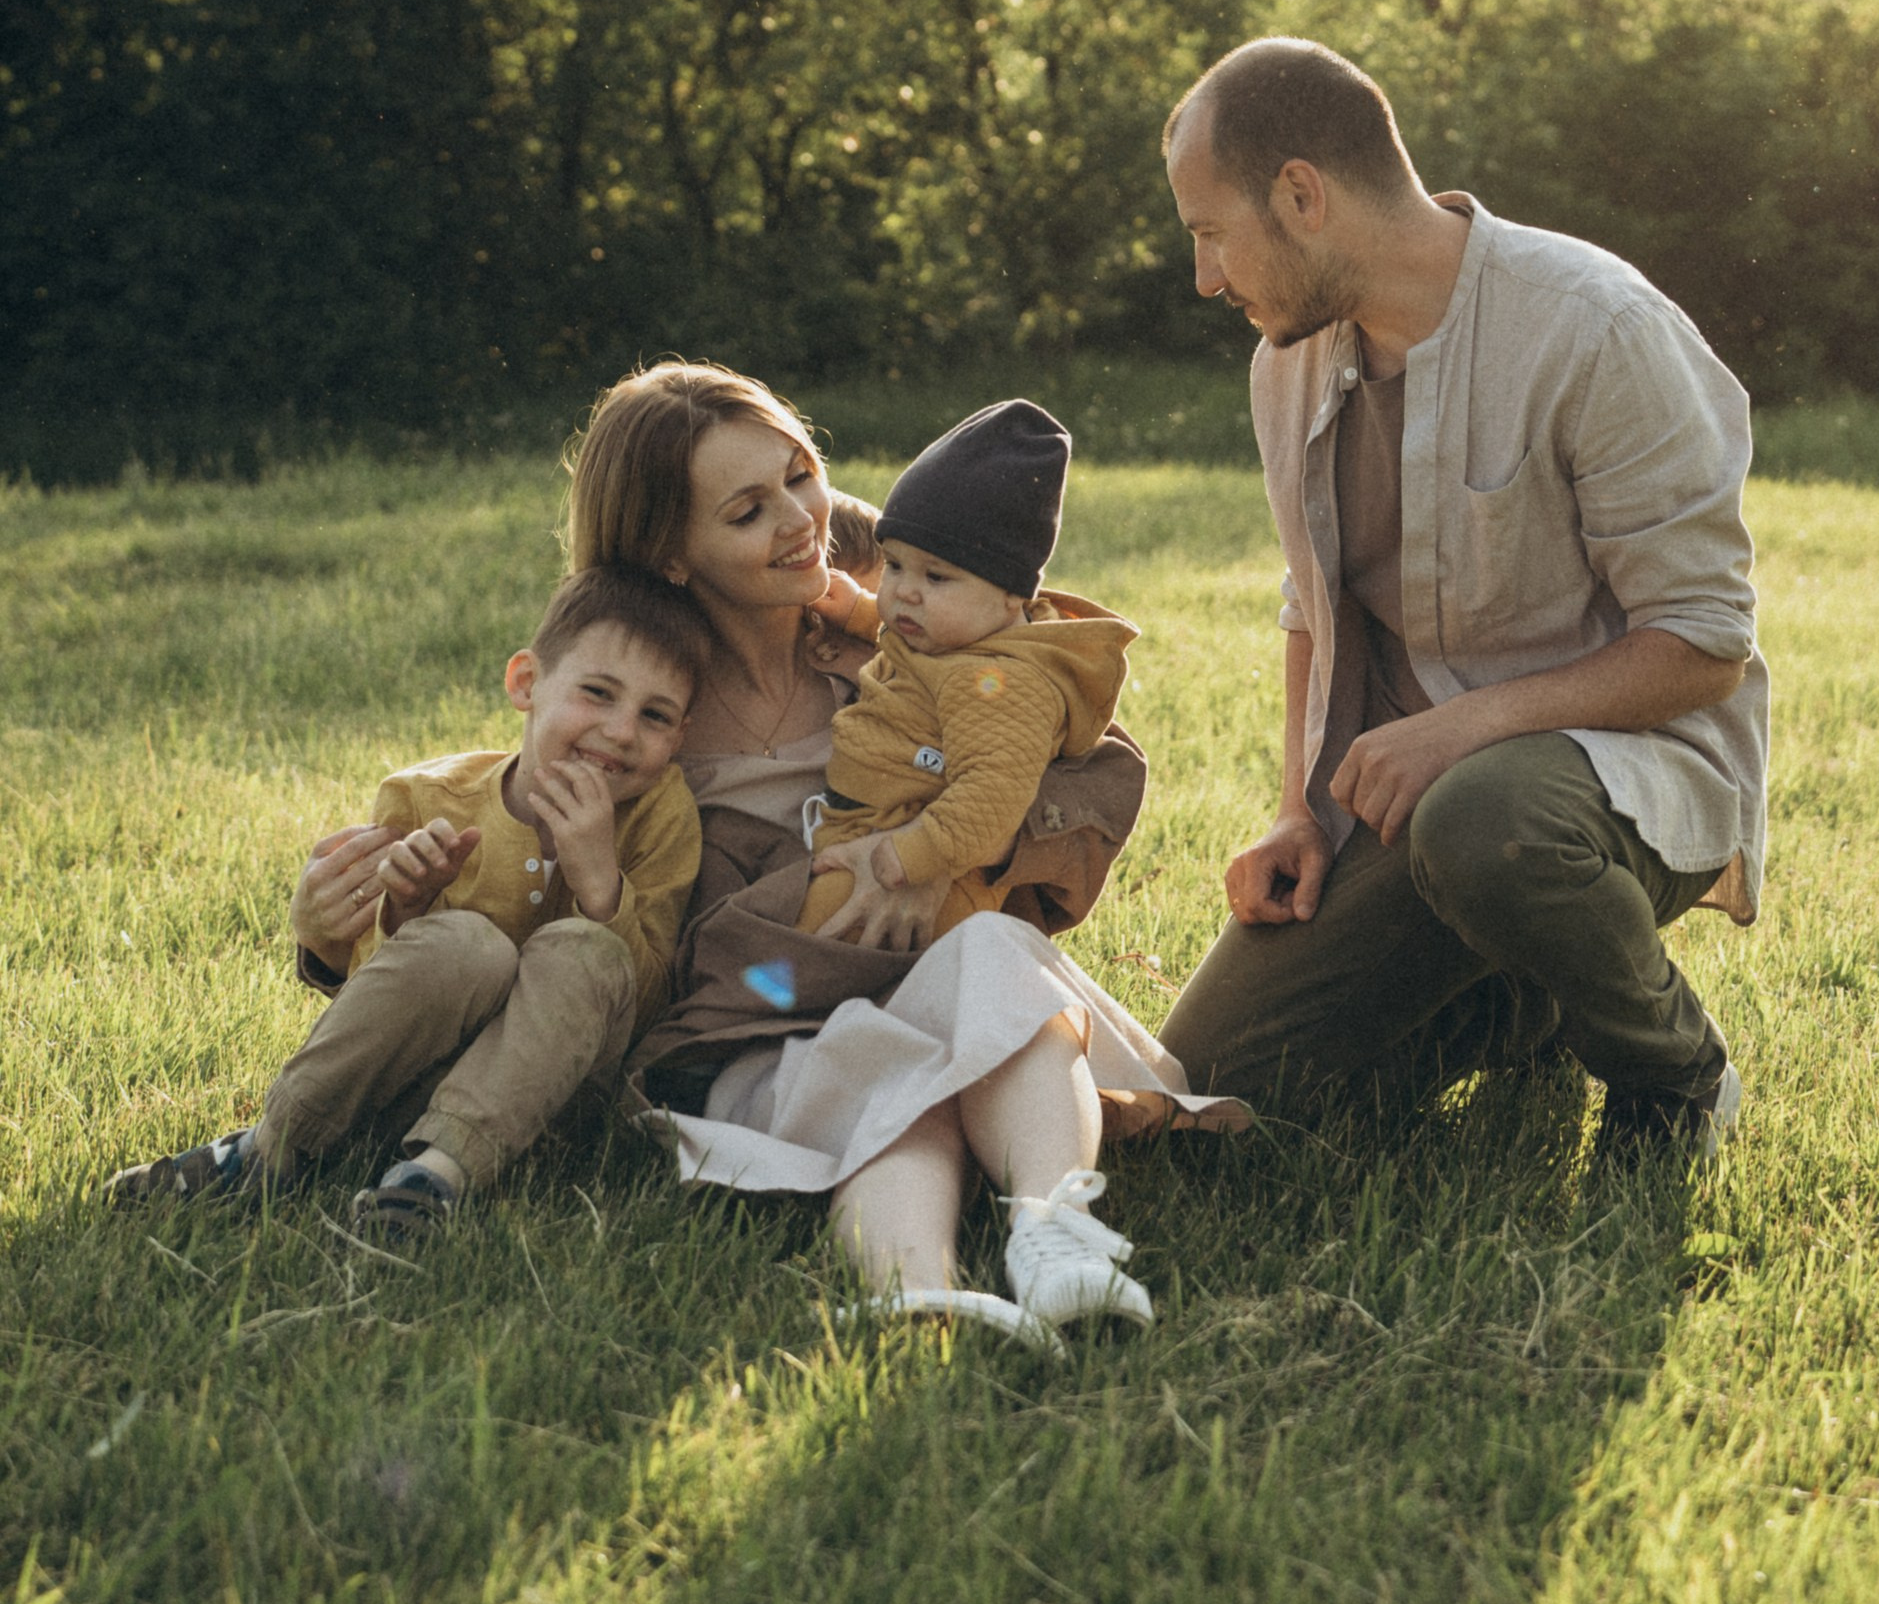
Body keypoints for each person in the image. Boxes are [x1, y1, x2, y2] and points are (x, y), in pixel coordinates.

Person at [285, 363, 1228, 1337]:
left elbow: (1088, 759)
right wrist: (336, 937)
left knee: (995, 964)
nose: (799, 518)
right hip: (760, 1022)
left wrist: (945, 858)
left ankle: (1052, 1231)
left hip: (936, 967)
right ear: (671, 553)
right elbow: (523, 914)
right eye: (747, 510)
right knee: (880, 1069)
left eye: (801, 473)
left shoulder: (894, 619)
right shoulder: (639, 713)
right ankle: (913, 1288)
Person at [1157, 38, 1768, 1156]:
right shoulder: (1285, 362)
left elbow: (1700, 645)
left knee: (1485, 818)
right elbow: (1312, 606)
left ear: (1301, 195)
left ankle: (1671, 1070)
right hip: (1404, 806)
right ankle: (1525, 998)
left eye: (1210, 233)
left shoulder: (1596, 327)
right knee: (1216, 1097)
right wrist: (1298, 806)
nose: (1205, 277)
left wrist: (1460, 731)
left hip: (1604, 786)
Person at [112, 566, 709, 1226]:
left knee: (584, 950)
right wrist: (404, 910)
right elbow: (369, 996)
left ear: (679, 736)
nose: (623, 731)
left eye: (655, 715)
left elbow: (646, 1002)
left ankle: (432, 1182)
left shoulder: (662, 817)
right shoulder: (427, 798)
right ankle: (270, 1149)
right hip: (396, 1086)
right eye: (598, 693)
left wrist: (601, 885)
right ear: (527, 683)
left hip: (547, 1107)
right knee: (465, 944)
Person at [800, 399, 1135, 945]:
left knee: (805, 952)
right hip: (867, 830)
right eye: (896, 566)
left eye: (936, 577)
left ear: (1009, 596)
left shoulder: (1004, 685)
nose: (905, 591)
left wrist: (904, 860)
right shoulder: (954, 637)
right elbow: (910, 649)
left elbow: (990, 800)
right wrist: (860, 610)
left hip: (915, 869)